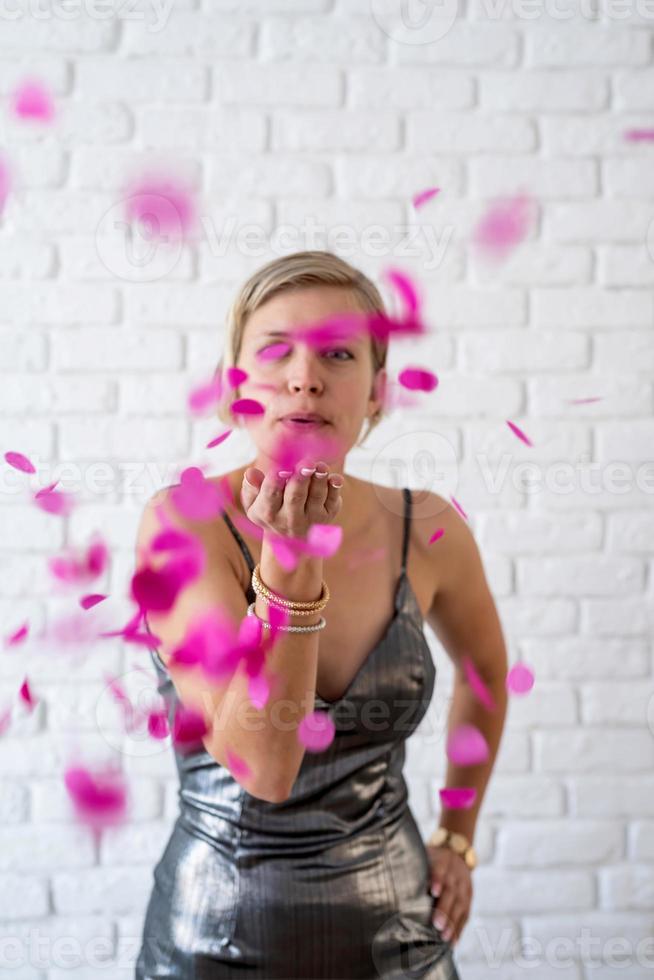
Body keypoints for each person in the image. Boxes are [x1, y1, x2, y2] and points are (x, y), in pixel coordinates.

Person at [134, 250, 508, 978]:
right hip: (215, 940)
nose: (305, 375)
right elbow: (266, 769)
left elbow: (488, 671)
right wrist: (288, 560)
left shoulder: (427, 526)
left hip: (398, 934)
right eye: (276, 350)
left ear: (377, 391)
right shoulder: (183, 524)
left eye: (338, 353)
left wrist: (457, 837)